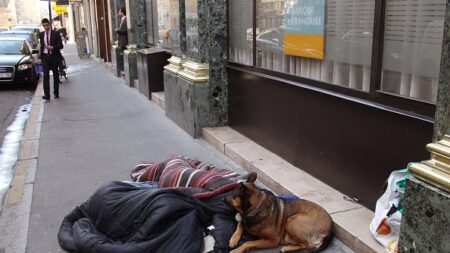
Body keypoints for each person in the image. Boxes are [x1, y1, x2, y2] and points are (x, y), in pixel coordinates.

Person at [39, 18, 64, 100]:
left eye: (47, 25)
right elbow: (41, 46)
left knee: (55, 74)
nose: (46, 27)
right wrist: (40, 57)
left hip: (54, 57)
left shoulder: (55, 33)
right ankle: (47, 95)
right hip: (45, 57)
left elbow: (61, 46)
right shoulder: (41, 34)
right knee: (45, 76)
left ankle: (56, 92)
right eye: (44, 26)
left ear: (49, 24)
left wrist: (53, 47)